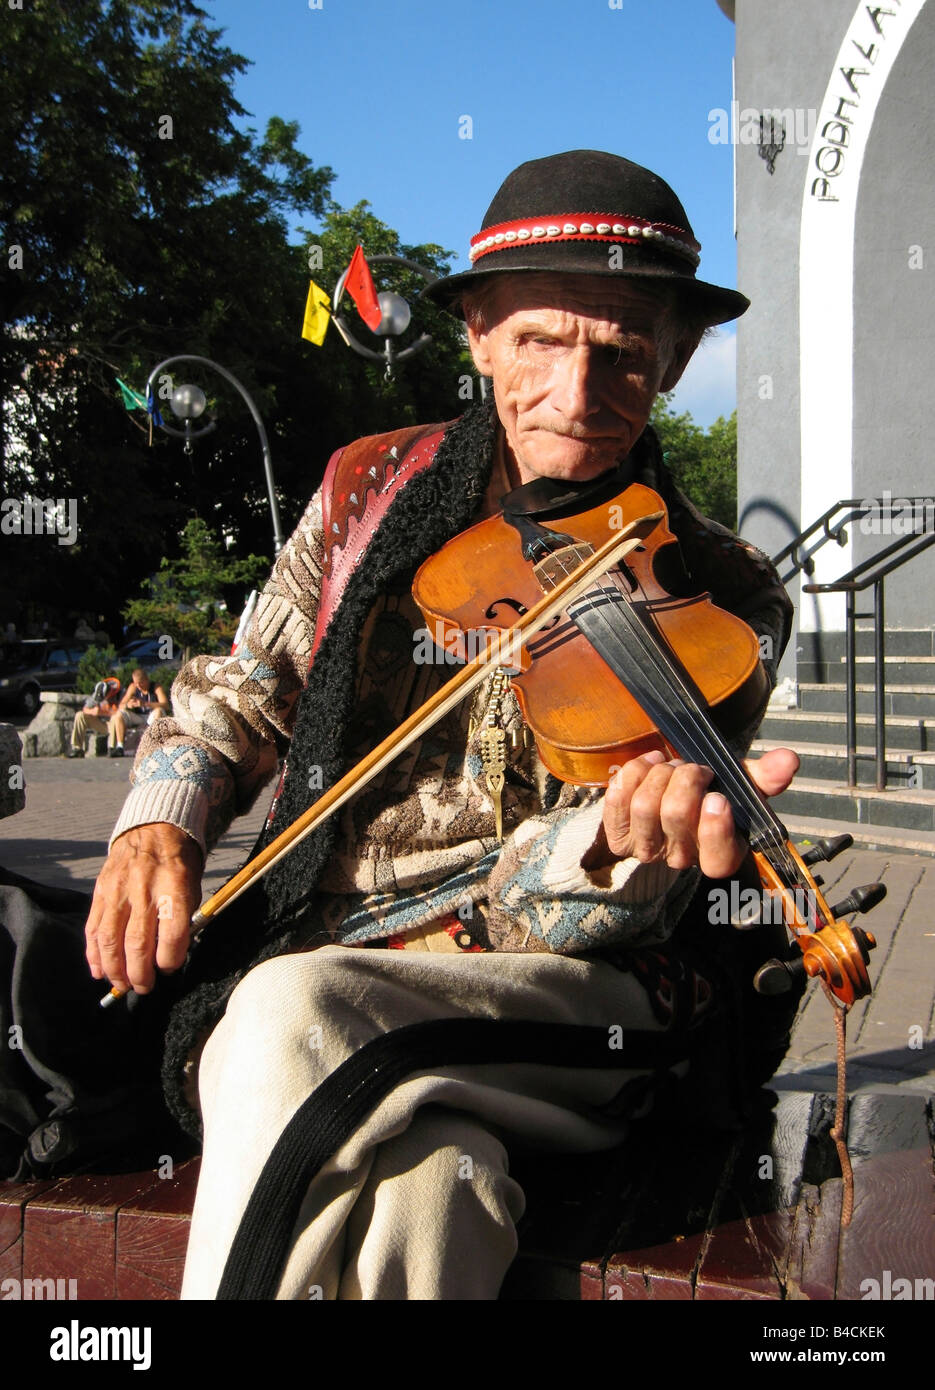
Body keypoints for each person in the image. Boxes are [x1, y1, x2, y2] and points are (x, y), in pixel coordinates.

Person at [85, 151, 798, 1300]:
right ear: (474, 334)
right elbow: (245, 679)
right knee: (433, 1193)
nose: (577, 393)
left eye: (621, 351)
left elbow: (626, 904)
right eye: (539, 342)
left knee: (285, 1003)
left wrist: (614, 845)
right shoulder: (367, 486)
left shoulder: (720, 584)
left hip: (565, 997)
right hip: (347, 978)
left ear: (672, 358)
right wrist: (158, 819)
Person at [108, 667, 170, 758]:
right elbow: (121, 705)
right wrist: (128, 705)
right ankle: (120, 746)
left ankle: (152, 744)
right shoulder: (133, 687)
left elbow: (165, 705)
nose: (138, 686)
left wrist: (146, 704)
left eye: (141, 682)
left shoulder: (156, 687)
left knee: (158, 711)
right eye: (136, 683)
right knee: (119, 714)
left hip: (152, 715)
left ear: (146, 680)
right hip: (139, 716)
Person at [68, 677, 122, 757]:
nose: (101, 700)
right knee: (79, 715)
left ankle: (112, 748)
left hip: (114, 724)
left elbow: (121, 712)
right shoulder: (97, 694)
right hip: (100, 723)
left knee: (115, 718)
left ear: (109, 692)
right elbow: (85, 709)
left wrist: (102, 712)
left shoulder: (120, 693)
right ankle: (77, 748)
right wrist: (93, 711)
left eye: (103, 698)